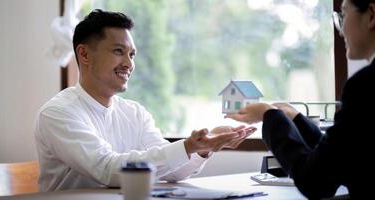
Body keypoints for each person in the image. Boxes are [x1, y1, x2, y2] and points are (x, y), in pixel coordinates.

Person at [35, 9, 256, 192]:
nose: (129, 64)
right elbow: (107, 170)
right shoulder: (58, 113)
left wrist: (202, 148)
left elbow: (171, 169)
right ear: (84, 55)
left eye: (132, 55)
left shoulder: (134, 112)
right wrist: (186, 146)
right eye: (118, 51)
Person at [225, 0, 375, 199]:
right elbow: (340, 158)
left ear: (371, 15)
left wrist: (269, 116)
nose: (340, 31)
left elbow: (316, 181)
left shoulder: (364, 87)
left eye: (344, 15)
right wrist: (294, 117)